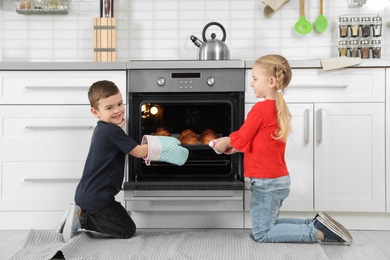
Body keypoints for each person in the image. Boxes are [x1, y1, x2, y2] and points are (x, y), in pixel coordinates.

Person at [213, 54, 353, 245]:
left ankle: (318, 233)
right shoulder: (279, 107)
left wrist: (225, 141)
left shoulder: (261, 109)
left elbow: (243, 136)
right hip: (276, 181)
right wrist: (237, 148)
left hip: (266, 183)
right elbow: (258, 140)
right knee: (270, 224)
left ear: (271, 81)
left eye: (255, 79)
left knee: (262, 233)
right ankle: (314, 223)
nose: (252, 84)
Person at [56, 80, 188, 242]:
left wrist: (119, 127)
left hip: (91, 195)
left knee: (120, 218)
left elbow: (117, 141)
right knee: (127, 230)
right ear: (95, 112)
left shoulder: (102, 129)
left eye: (119, 104)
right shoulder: (113, 132)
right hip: (97, 200)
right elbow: (139, 152)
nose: (118, 110)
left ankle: (79, 211)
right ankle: (82, 218)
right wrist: (164, 146)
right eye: (109, 108)